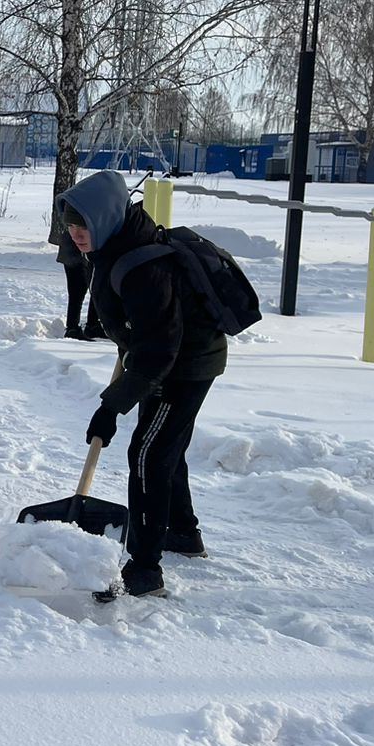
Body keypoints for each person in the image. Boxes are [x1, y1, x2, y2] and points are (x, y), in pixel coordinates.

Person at [57, 169, 226, 600]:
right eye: (71, 226)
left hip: (184, 365)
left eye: (83, 225)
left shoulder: (143, 265)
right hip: (167, 357)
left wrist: (111, 407)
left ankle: (146, 569)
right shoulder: (116, 243)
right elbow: (142, 333)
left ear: (106, 217)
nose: (77, 235)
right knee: (165, 447)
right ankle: (183, 534)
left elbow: (159, 348)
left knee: (148, 453)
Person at [51, 207, 104, 340]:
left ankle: (92, 325)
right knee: (78, 292)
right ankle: (73, 328)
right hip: (75, 252)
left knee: (96, 287)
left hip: (82, 250)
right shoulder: (83, 204)